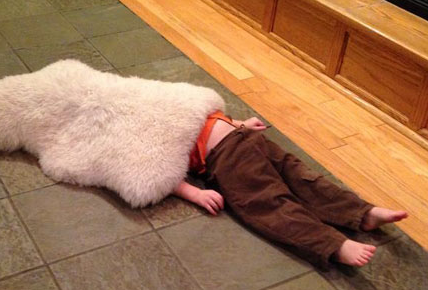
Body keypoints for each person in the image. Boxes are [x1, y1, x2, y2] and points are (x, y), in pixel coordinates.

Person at [172, 111, 408, 269]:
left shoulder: (173, 102)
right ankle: (332, 244)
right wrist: (196, 193)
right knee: (272, 201)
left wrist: (241, 124)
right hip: (226, 156)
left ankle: (362, 213)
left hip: (245, 139)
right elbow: (159, 175)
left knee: (303, 182)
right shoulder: (153, 131)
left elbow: (209, 116)